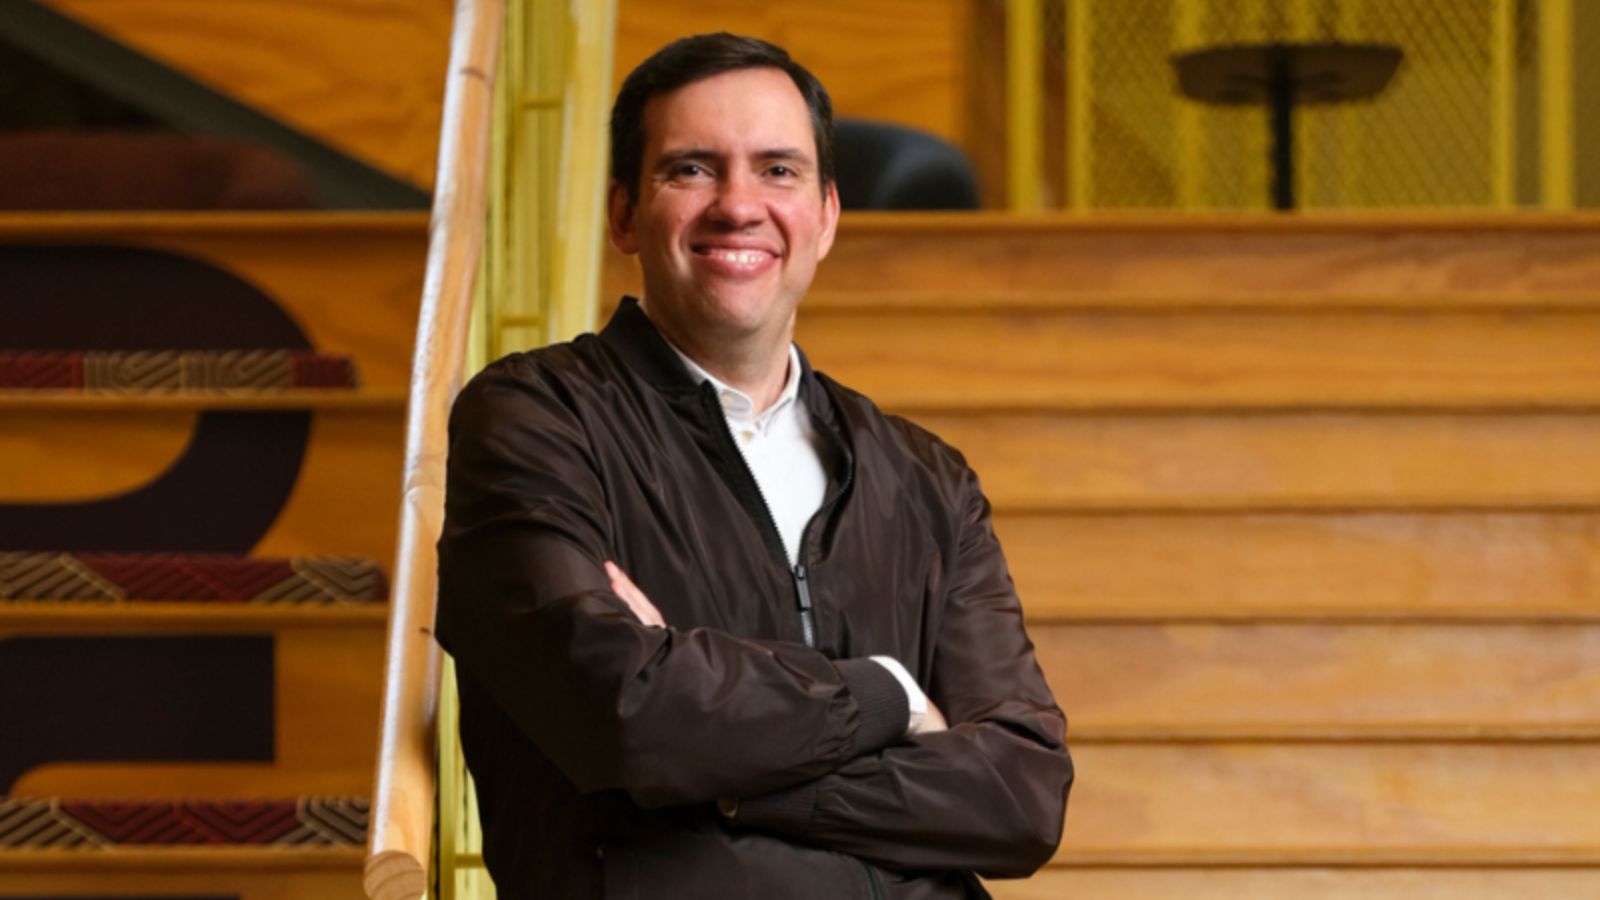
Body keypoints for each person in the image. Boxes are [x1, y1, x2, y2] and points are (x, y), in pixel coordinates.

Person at [436, 32, 1073, 899]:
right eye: (691, 169)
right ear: (624, 213)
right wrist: (889, 697)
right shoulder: (538, 416)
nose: (739, 205)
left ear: (826, 216)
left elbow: (1020, 796)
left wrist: (721, 776)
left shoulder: (927, 479)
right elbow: (624, 715)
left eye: (778, 171)